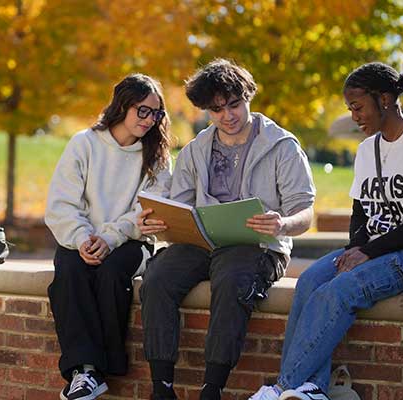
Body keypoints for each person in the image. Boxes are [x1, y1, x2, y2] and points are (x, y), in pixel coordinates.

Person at [247, 62, 403, 400]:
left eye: (358, 107)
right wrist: (355, 248)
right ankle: (311, 389)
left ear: (385, 99)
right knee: (311, 280)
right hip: (376, 250)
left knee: (340, 290)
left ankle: (283, 387)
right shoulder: (366, 149)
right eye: (350, 109)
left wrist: (367, 252)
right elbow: (360, 212)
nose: (355, 117)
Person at [137, 58, 316, 400]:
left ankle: (212, 388)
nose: (227, 116)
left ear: (248, 96)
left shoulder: (282, 146)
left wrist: (282, 223)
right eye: (217, 110)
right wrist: (160, 223)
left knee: (232, 280)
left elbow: (304, 213)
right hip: (202, 243)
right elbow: (182, 206)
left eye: (234, 104)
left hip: (260, 246)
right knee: (157, 277)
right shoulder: (195, 150)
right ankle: (162, 386)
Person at [45, 73, 173, 400]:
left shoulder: (156, 155)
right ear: (122, 106)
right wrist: (83, 238)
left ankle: (106, 367)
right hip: (81, 239)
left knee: (112, 272)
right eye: (142, 111)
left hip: (132, 242)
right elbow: (61, 204)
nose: (150, 120)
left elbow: (147, 212)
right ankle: (84, 372)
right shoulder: (83, 144)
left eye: (155, 113)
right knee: (70, 269)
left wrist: (110, 238)